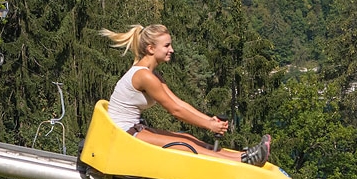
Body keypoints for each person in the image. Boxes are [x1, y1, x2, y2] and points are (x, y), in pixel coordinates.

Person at [101, 24, 270, 166]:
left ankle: (244, 156)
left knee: (185, 137)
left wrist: (209, 120)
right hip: (122, 135)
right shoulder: (144, 76)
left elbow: (179, 102)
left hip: (131, 129)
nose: (171, 50)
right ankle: (243, 160)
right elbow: (175, 110)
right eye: (166, 46)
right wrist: (208, 125)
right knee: (184, 145)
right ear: (150, 48)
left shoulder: (152, 74)